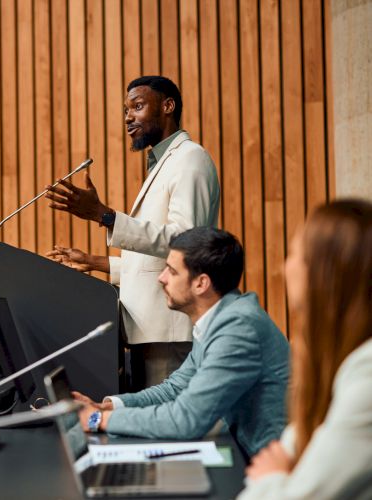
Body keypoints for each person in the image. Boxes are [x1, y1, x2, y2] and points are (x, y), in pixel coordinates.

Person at [46, 76, 220, 389]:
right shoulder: (163, 163)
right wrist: (94, 262)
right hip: (146, 333)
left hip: (169, 332)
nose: (128, 117)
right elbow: (156, 265)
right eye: (127, 110)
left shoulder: (190, 158)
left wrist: (105, 215)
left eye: (137, 106)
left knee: (164, 433)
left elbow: (185, 243)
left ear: (168, 106)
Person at [72, 227, 289, 458]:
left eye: (172, 271)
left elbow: (186, 420)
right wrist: (108, 407)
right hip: (251, 455)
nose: (161, 277)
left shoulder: (237, 328)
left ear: (201, 284)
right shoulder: (220, 318)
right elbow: (175, 389)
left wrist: (98, 420)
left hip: (276, 470)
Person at [238, 199, 372, 499]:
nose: (285, 266)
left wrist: (271, 478)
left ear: (324, 272)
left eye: (294, 254)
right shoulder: (340, 356)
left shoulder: (368, 374)